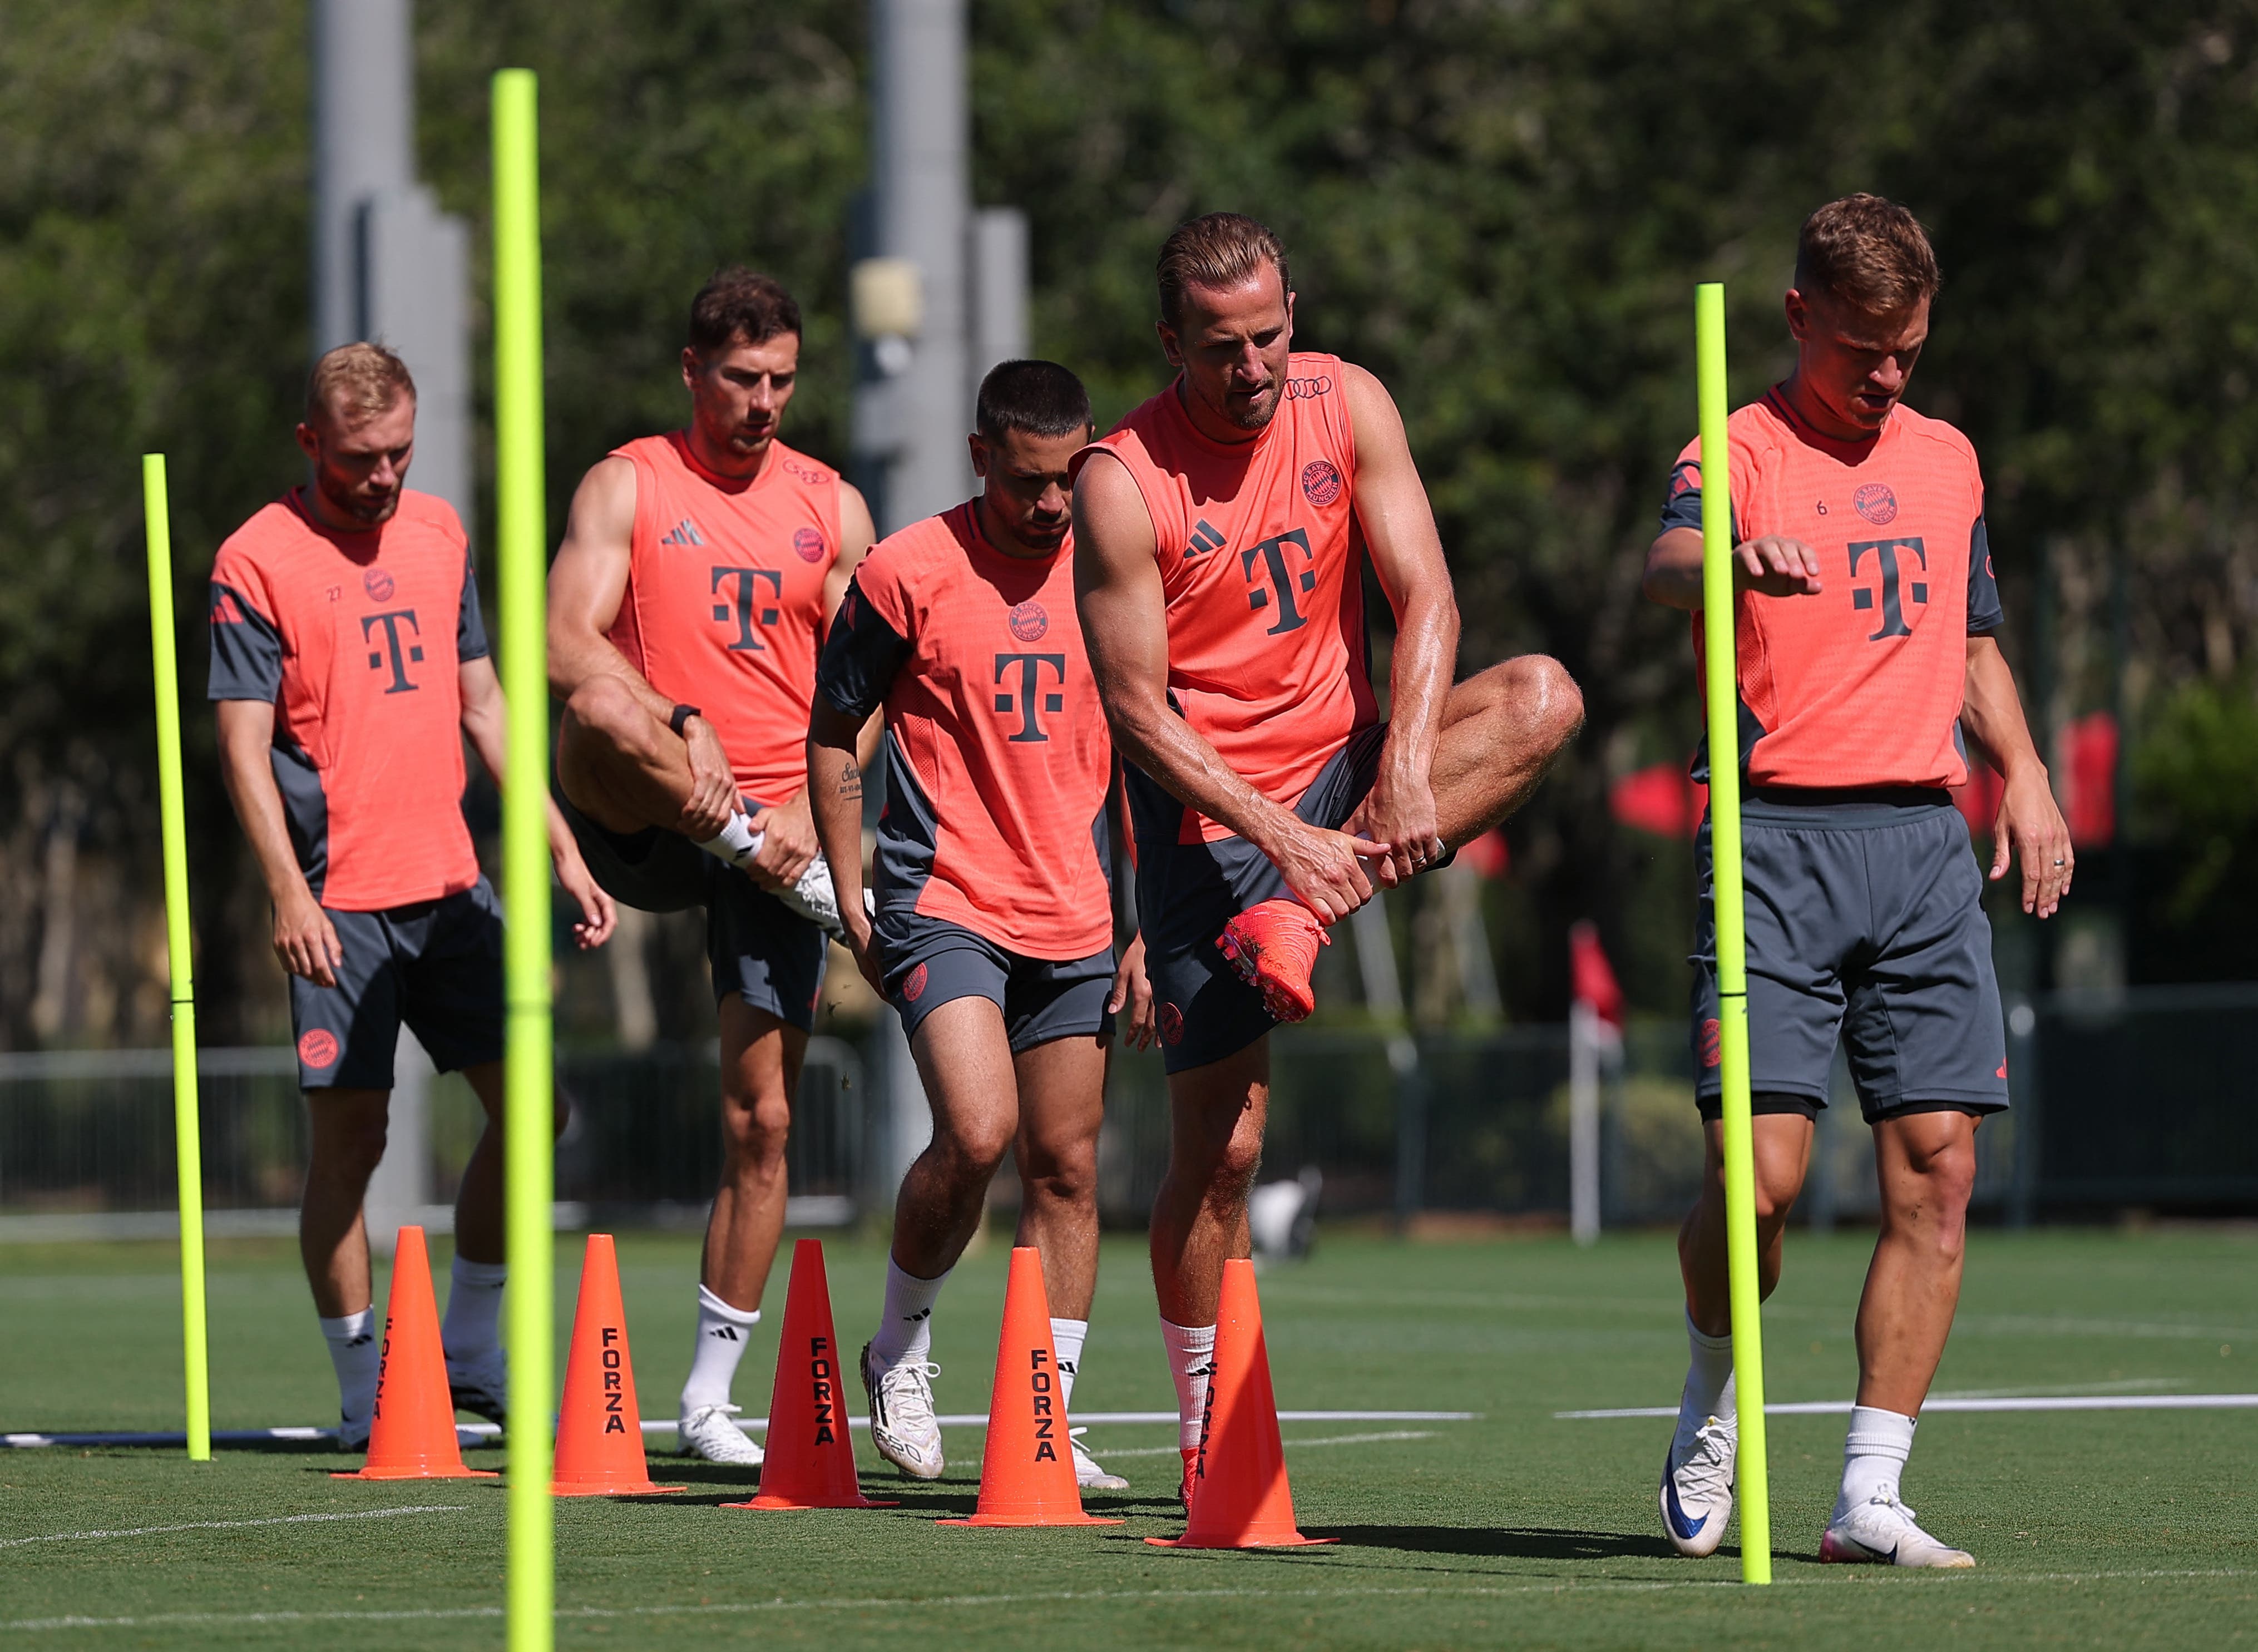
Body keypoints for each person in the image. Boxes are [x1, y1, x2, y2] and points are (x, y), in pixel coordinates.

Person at [1070, 214, 1585, 1496]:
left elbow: (1428, 597)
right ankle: (1207, 1434)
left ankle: (1306, 918)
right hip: (1210, 821)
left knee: (1542, 699)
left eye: (1266, 336)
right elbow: (1136, 716)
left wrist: (1403, 760)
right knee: (1224, 1151)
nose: (1249, 367)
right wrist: (1280, 839)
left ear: (1291, 314)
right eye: (1218, 348)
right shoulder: (1120, 480)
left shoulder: (1346, 400)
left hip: (1348, 767)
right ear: (1170, 341)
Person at [1643, 194, 2072, 1569]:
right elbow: (1664, 564)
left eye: (1907, 350)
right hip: (1769, 841)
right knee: (1757, 1184)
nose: (1886, 375)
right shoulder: (1735, 449)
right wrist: (1726, 557)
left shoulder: (1947, 460)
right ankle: (1711, 1396)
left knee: (1938, 1173)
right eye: (1860, 349)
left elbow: (1972, 641)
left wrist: (2027, 776)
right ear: (1797, 316)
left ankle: (1866, 1497)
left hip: (1922, 847)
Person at [209, 342, 615, 1450]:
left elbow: (483, 704)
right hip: (336, 904)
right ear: (310, 443)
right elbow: (243, 747)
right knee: (356, 1143)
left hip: (450, 889)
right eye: (358, 457)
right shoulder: (255, 558)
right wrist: (287, 894)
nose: (383, 475)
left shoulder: (439, 532)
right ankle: (363, 1393)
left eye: (398, 451)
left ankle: (469, 1352)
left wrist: (560, 846)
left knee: (536, 1109)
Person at [547, 268, 877, 1466]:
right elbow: (562, 638)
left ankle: (704, 1399)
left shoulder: (833, 506)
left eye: (782, 379)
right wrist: (681, 719)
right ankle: (742, 838)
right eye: (742, 378)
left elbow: (868, 687)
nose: (764, 402)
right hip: (651, 805)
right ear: (694, 371)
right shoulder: (628, 482)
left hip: (778, 835)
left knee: (764, 1118)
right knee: (595, 710)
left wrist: (804, 812)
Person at [809, 360, 1155, 1492]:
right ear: (978, 458)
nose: (1050, 504)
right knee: (976, 1131)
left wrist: (1147, 924)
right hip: (942, 898)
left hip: (1077, 910)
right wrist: (848, 890)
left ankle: (1044, 1416)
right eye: (1025, 481)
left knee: (1067, 1167)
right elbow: (834, 728)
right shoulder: (906, 569)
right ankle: (898, 1349)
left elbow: (1154, 749)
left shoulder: (1119, 566)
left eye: (1067, 480)